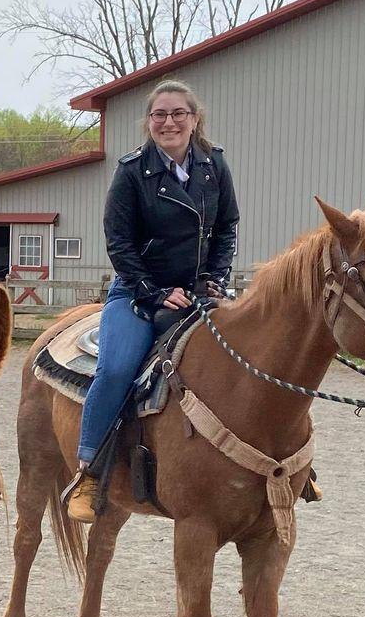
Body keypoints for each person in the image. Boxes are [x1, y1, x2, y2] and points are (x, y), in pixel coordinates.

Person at [67, 78, 238, 523]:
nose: (169, 122)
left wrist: (213, 279)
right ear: (149, 122)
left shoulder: (213, 167)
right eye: (159, 114)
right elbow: (118, 243)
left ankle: (286, 462)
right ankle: (90, 469)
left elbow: (226, 229)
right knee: (117, 367)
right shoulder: (131, 172)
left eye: (178, 113)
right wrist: (156, 292)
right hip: (140, 292)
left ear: (194, 118)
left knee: (253, 347)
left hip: (200, 290)